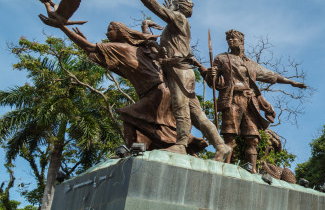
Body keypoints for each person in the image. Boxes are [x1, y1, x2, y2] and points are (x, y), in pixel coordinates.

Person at [38, 18, 207, 153]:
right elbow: (94, 53)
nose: (107, 32)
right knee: (151, 126)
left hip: (157, 92)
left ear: (119, 31)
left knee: (129, 115)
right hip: (160, 92)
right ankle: (180, 142)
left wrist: (62, 27)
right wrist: (145, 26)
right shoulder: (137, 49)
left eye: (110, 29)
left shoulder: (121, 48)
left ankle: (134, 149)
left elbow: (89, 46)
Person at [114, 0, 231, 161]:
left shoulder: (179, 19)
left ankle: (181, 144)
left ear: (178, 7)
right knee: (196, 114)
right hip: (177, 70)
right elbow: (168, 47)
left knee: (180, 107)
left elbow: (156, 8)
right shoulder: (176, 26)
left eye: (174, 4)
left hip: (180, 71)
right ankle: (220, 146)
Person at [204, 29, 306, 170]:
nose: (230, 41)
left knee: (253, 138)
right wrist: (211, 75)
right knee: (229, 136)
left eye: (233, 38)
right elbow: (212, 83)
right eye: (228, 39)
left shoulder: (251, 63)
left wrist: (291, 82)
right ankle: (225, 166)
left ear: (241, 41)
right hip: (232, 99)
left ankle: (252, 169)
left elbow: (271, 75)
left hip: (250, 102)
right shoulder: (222, 58)